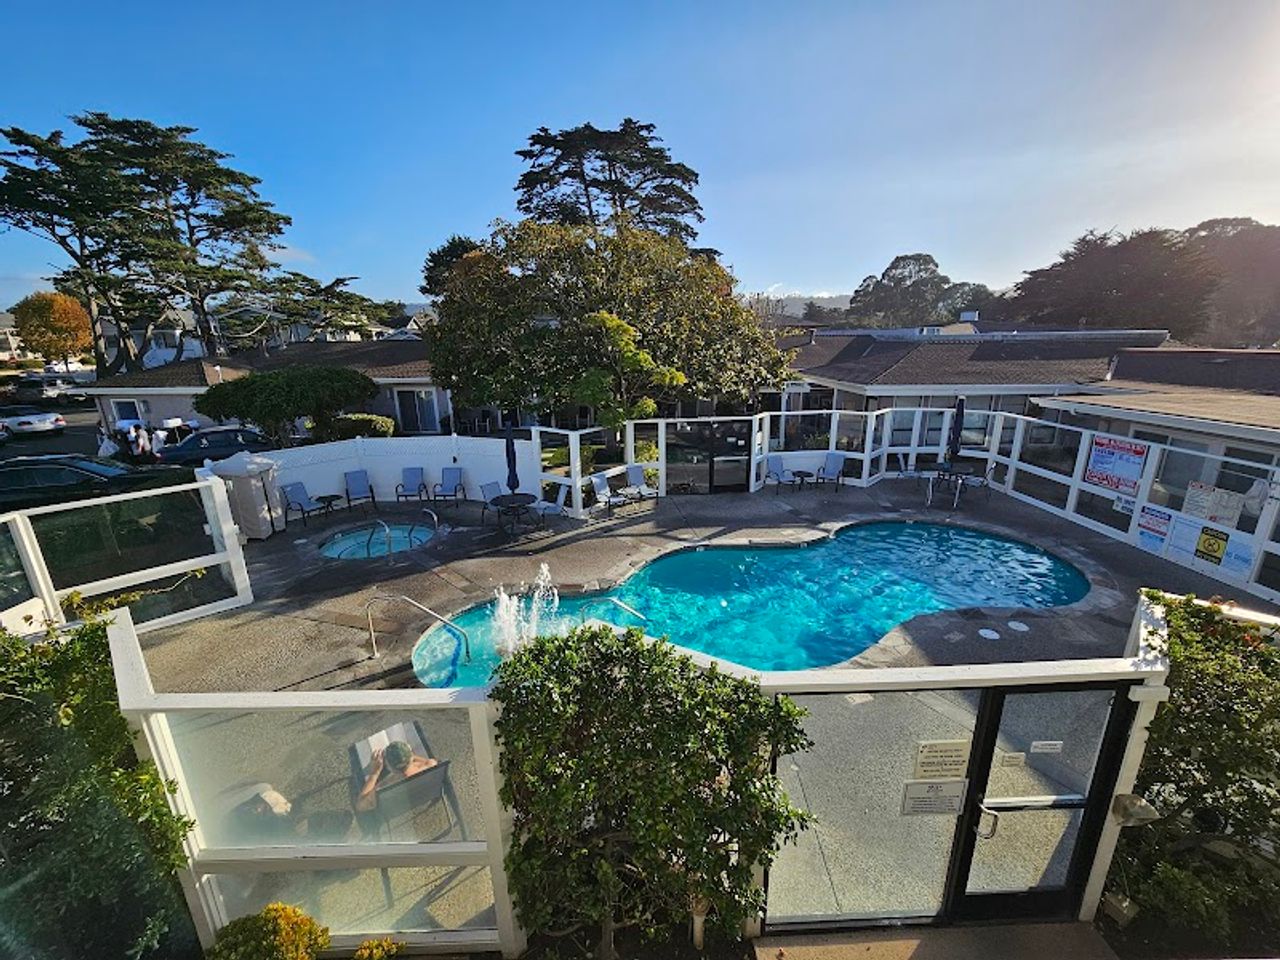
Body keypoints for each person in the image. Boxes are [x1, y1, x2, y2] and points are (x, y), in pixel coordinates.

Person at [354, 740, 438, 812]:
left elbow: (360, 806)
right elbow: (426, 761)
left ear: (389, 767)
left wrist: (374, 773)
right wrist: (406, 755)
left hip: (398, 806)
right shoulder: (431, 765)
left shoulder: (384, 789)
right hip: (421, 796)